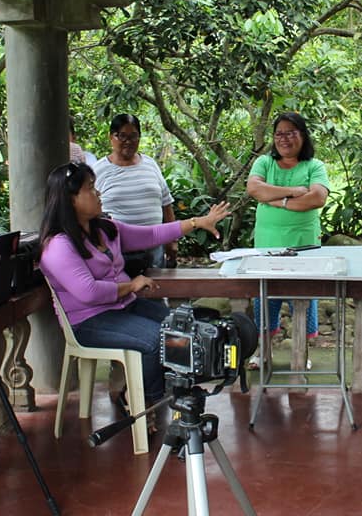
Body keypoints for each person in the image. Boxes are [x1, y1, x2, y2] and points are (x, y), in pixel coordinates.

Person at [38, 161, 229, 407]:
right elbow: (89, 292)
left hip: (123, 307)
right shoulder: (58, 245)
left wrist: (196, 222)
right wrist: (131, 285)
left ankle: (164, 392)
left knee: (179, 328)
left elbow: (150, 234)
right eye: (91, 188)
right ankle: (144, 404)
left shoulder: (106, 230)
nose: (98, 193)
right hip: (89, 321)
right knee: (155, 340)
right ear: (70, 199)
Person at [245, 112, 330, 368]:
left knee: (302, 298)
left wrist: (275, 200)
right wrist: (292, 193)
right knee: (264, 298)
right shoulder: (264, 162)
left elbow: (317, 198)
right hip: (267, 245)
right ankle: (262, 353)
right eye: (279, 133)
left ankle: (301, 353)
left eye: (291, 132)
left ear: (302, 136)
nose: (284, 138)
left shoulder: (314, 166)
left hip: (304, 246)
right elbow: (254, 189)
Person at [92, 113, 177, 273]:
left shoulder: (150, 164)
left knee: (156, 293)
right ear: (111, 137)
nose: (128, 142)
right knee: (124, 294)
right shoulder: (99, 170)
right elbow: (88, 210)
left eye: (134, 136)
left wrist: (171, 241)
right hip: (118, 250)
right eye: (122, 136)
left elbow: (166, 204)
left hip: (154, 247)